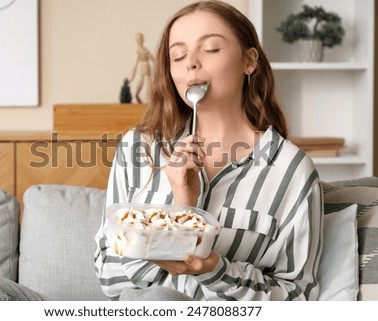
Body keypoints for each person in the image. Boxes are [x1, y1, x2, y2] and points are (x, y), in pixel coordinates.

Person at [94, 0, 323, 301]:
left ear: (249, 61)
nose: (191, 62)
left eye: (211, 48)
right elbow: (108, 277)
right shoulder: (137, 148)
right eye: (178, 55)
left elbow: (299, 297)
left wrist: (214, 269)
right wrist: (177, 218)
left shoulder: (292, 171)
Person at [129, 32, 154, 103]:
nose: (140, 41)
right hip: (144, 67)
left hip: (147, 67)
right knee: (144, 80)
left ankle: (148, 96)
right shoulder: (139, 51)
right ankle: (139, 95)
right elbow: (135, 65)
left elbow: (152, 59)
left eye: (141, 39)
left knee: (149, 81)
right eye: (139, 39)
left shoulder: (145, 50)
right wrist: (131, 77)